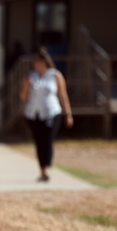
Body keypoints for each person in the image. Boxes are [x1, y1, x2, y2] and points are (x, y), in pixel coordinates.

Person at [20, 47, 74, 182]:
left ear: (44, 61)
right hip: (34, 113)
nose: (35, 62)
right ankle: (42, 169)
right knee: (39, 142)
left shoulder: (55, 75)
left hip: (52, 112)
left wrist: (68, 113)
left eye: (37, 60)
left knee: (48, 140)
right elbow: (23, 97)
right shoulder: (31, 76)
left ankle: (47, 168)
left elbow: (63, 95)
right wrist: (26, 85)